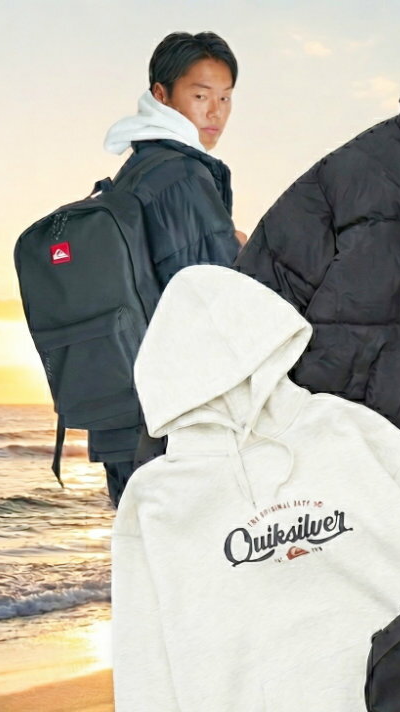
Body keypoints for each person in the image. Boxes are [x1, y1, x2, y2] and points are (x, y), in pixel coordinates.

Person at [97, 30, 244, 506]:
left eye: (225, 97)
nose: (215, 112)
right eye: (200, 96)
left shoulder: (135, 171)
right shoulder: (180, 174)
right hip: (175, 419)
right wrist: (243, 252)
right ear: (161, 95)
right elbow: (215, 296)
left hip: (127, 410)